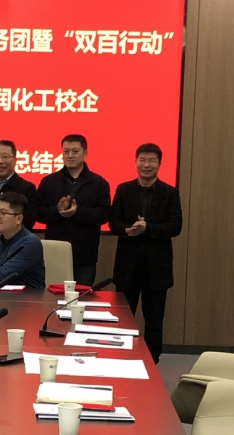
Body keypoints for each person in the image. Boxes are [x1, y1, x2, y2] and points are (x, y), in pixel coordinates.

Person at [109, 143, 182, 364]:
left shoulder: (169, 193)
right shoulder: (123, 190)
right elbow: (113, 222)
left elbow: (175, 226)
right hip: (127, 265)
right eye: (142, 160)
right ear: (136, 162)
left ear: (160, 163)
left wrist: (147, 228)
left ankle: (152, 360)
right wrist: (127, 230)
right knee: (123, 317)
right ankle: (121, 356)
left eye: (151, 160)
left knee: (154, 319)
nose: (146, 165)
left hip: (157, 267)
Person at [37, 134, 111, 286]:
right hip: (55, 252)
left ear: (85, 153)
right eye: (66, 151)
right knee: (53, 297)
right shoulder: (49, 181)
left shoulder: (99, 183)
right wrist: (57, 211)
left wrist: (78, 212)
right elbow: (37, 213)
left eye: (75, 151)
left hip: (85, 255)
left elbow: (104, 214)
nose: (70, 155)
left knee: (81, 297)